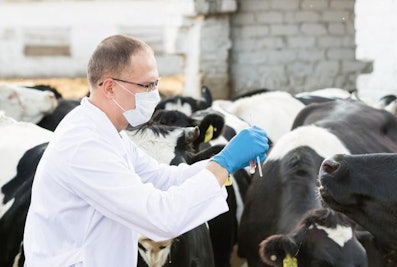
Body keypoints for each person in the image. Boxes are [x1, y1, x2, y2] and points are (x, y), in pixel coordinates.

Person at [23, 34, 269, 267]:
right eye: (146, 85)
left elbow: (163, 178)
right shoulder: (84, 145)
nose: (155, 95)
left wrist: (225, 162)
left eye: (156, 84)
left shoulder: (108, 133)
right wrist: (223, 165)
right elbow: (161, 218)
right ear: (109, 87)